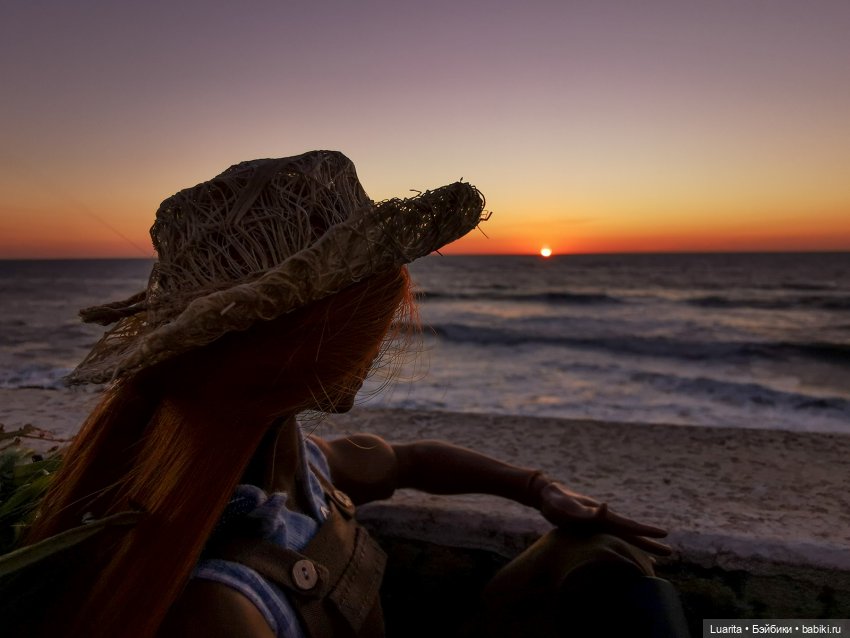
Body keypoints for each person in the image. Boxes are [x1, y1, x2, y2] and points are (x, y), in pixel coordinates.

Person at [23, 150, 687, 637]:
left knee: (601, 557)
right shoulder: (224, 603)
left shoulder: (301, 468)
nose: (382, 338)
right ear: (313, 342)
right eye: (372, 317)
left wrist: (537, 487)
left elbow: (406, 460)